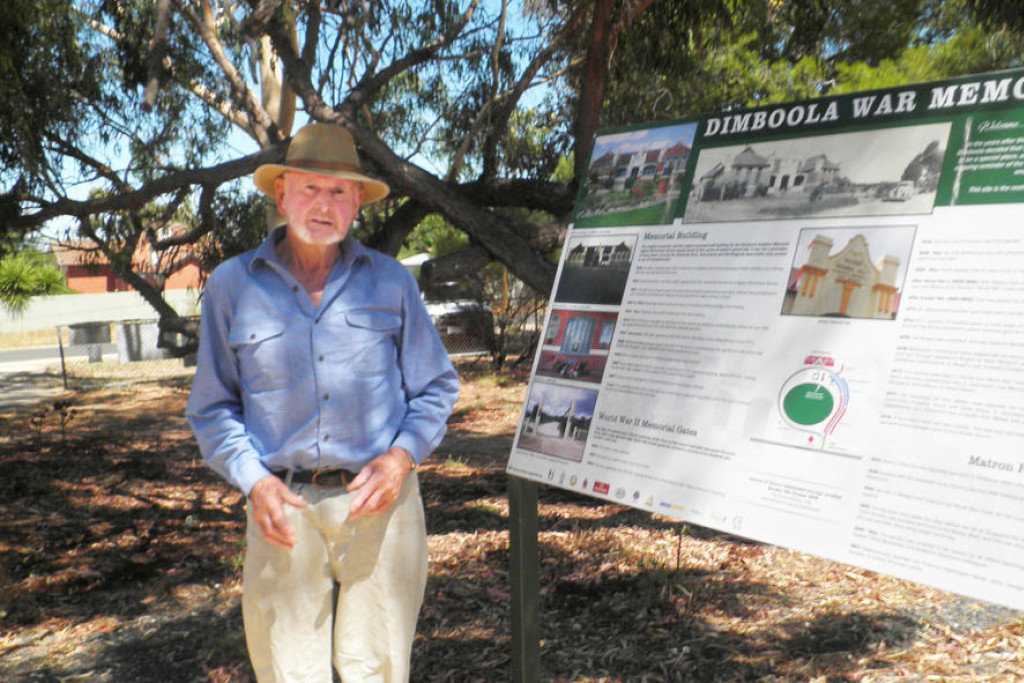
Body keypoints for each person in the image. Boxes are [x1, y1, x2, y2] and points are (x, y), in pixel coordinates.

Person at [186, 122, 460, 682]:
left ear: (358, 202)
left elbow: (435, 387)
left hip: (380, 503)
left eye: (339, 191)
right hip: (282, 507)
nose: (323, 205)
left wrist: (401, 457)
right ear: (281, 193)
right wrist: (254, 481)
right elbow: (213, 408)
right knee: (289, 671)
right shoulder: (231, 286)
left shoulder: (391, 283)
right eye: (310, 188)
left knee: (377, 670)